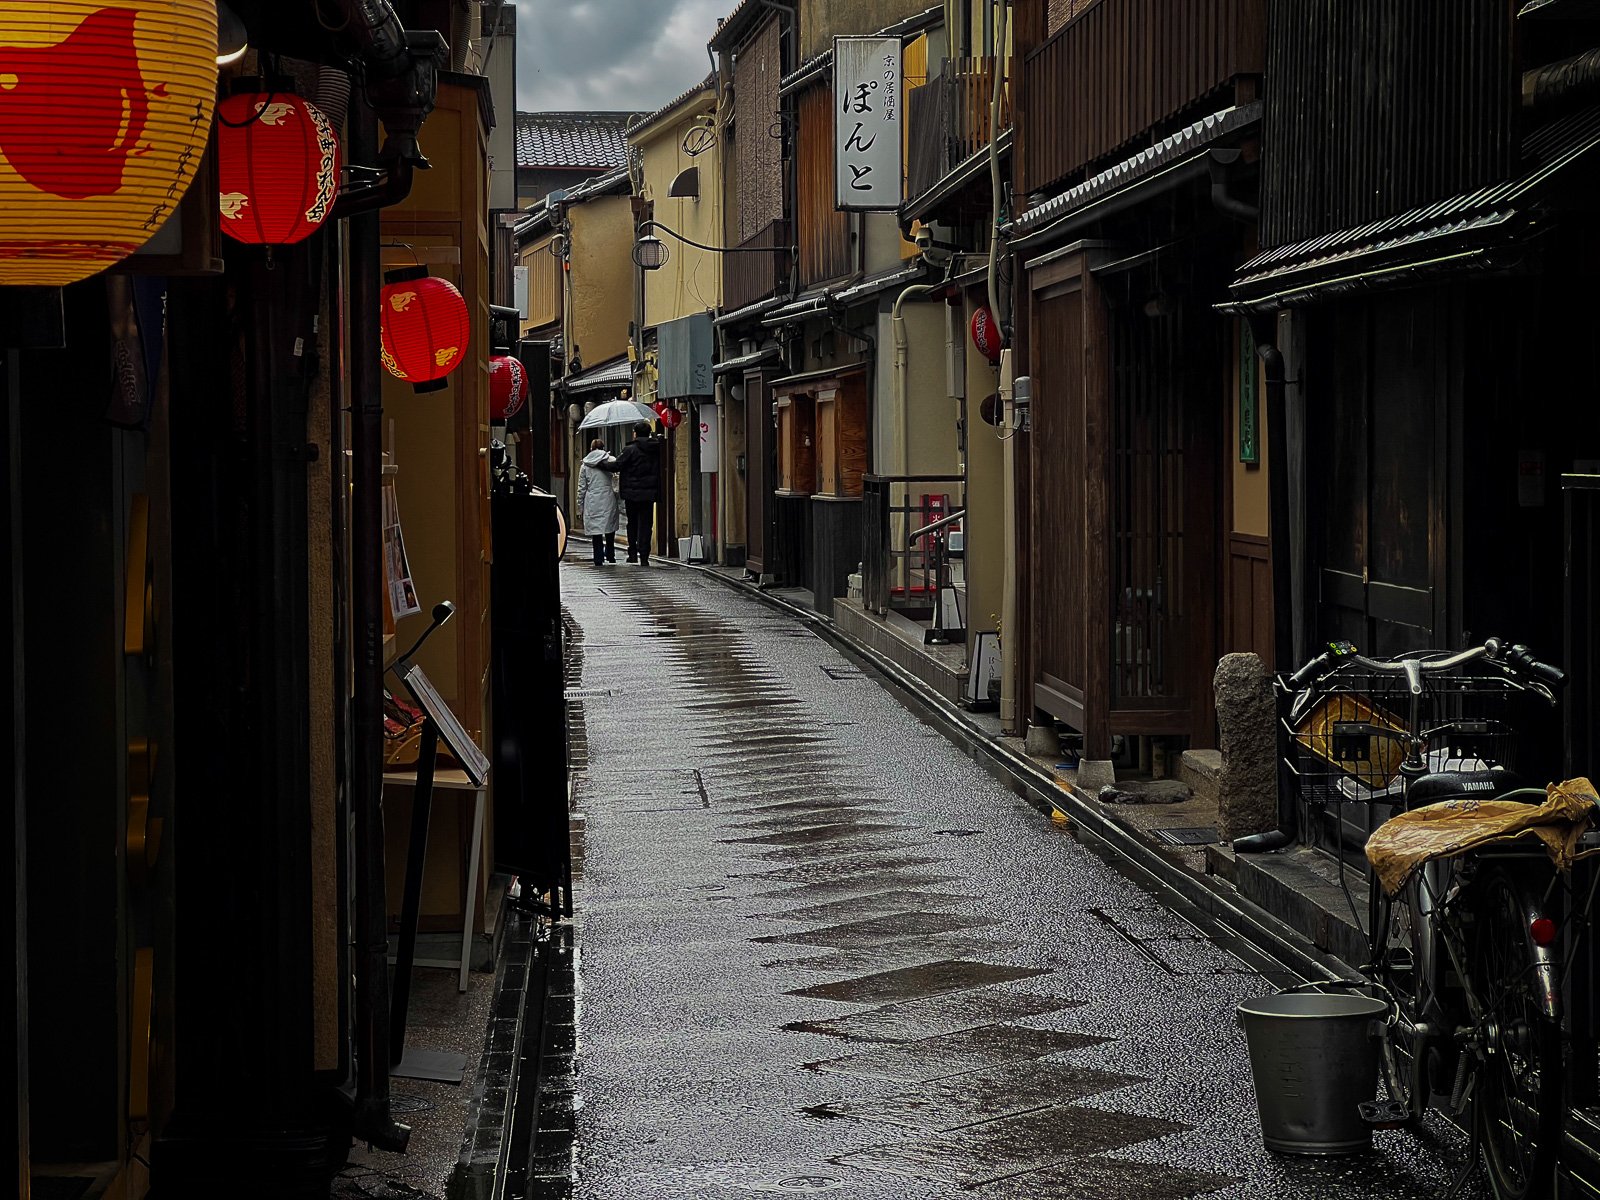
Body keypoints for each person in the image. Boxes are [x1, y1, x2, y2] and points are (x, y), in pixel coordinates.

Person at [598, 421, 662, 566]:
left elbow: (617, 465)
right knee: (646, 524)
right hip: (649, 492)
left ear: (635, 433)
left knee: (632, 523)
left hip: (631, 493)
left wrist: (601, 464)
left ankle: (633, 553)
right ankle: (644, 556)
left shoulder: (630, 450)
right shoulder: (656, 448)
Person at [575, 438, 619, 565]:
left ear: (591, 449)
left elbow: (581, 488)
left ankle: (598, 557)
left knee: (596, 531)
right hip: (608, 496)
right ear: (604, 447)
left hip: (592, 498)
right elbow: (617, 480)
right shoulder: (611, 460)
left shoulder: (585, 465)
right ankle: (611, 554)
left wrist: (580, 506)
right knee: (610, 527)